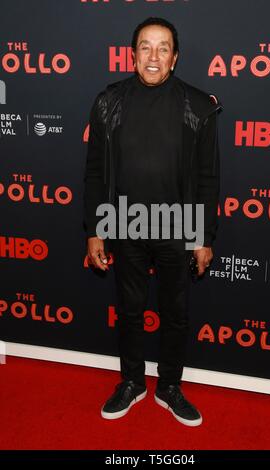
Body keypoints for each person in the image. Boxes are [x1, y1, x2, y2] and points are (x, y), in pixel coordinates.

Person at [83, 17, 222, 427]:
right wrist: (95, 229)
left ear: (175, 58)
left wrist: (203, 236)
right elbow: (94, 172)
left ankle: (170, 386)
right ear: (133, 54)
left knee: (175, 312)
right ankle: (131, 381)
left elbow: (207, 178)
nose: (154, 56)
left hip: (179, 225)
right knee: (128, 310)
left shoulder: (198, 106)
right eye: (146, 47)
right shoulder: (109, 102)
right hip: (123, 222)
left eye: (163, 48)